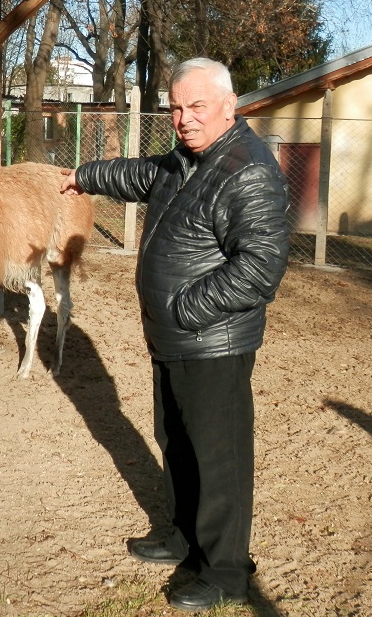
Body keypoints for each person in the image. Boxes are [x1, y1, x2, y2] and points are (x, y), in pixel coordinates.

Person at [60, 57, 290, 612]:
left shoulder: (247, 170)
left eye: (197, 106)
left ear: (230, 106)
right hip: (173, 340)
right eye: (176, 108)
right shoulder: (186, 159)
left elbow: (260, 266)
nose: (184, 119)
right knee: (178, 443)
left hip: (212, 342)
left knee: (218, 458)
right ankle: (184, 537)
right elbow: (141, 175)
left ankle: (226, 572)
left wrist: (185, 310)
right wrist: (84, 176)